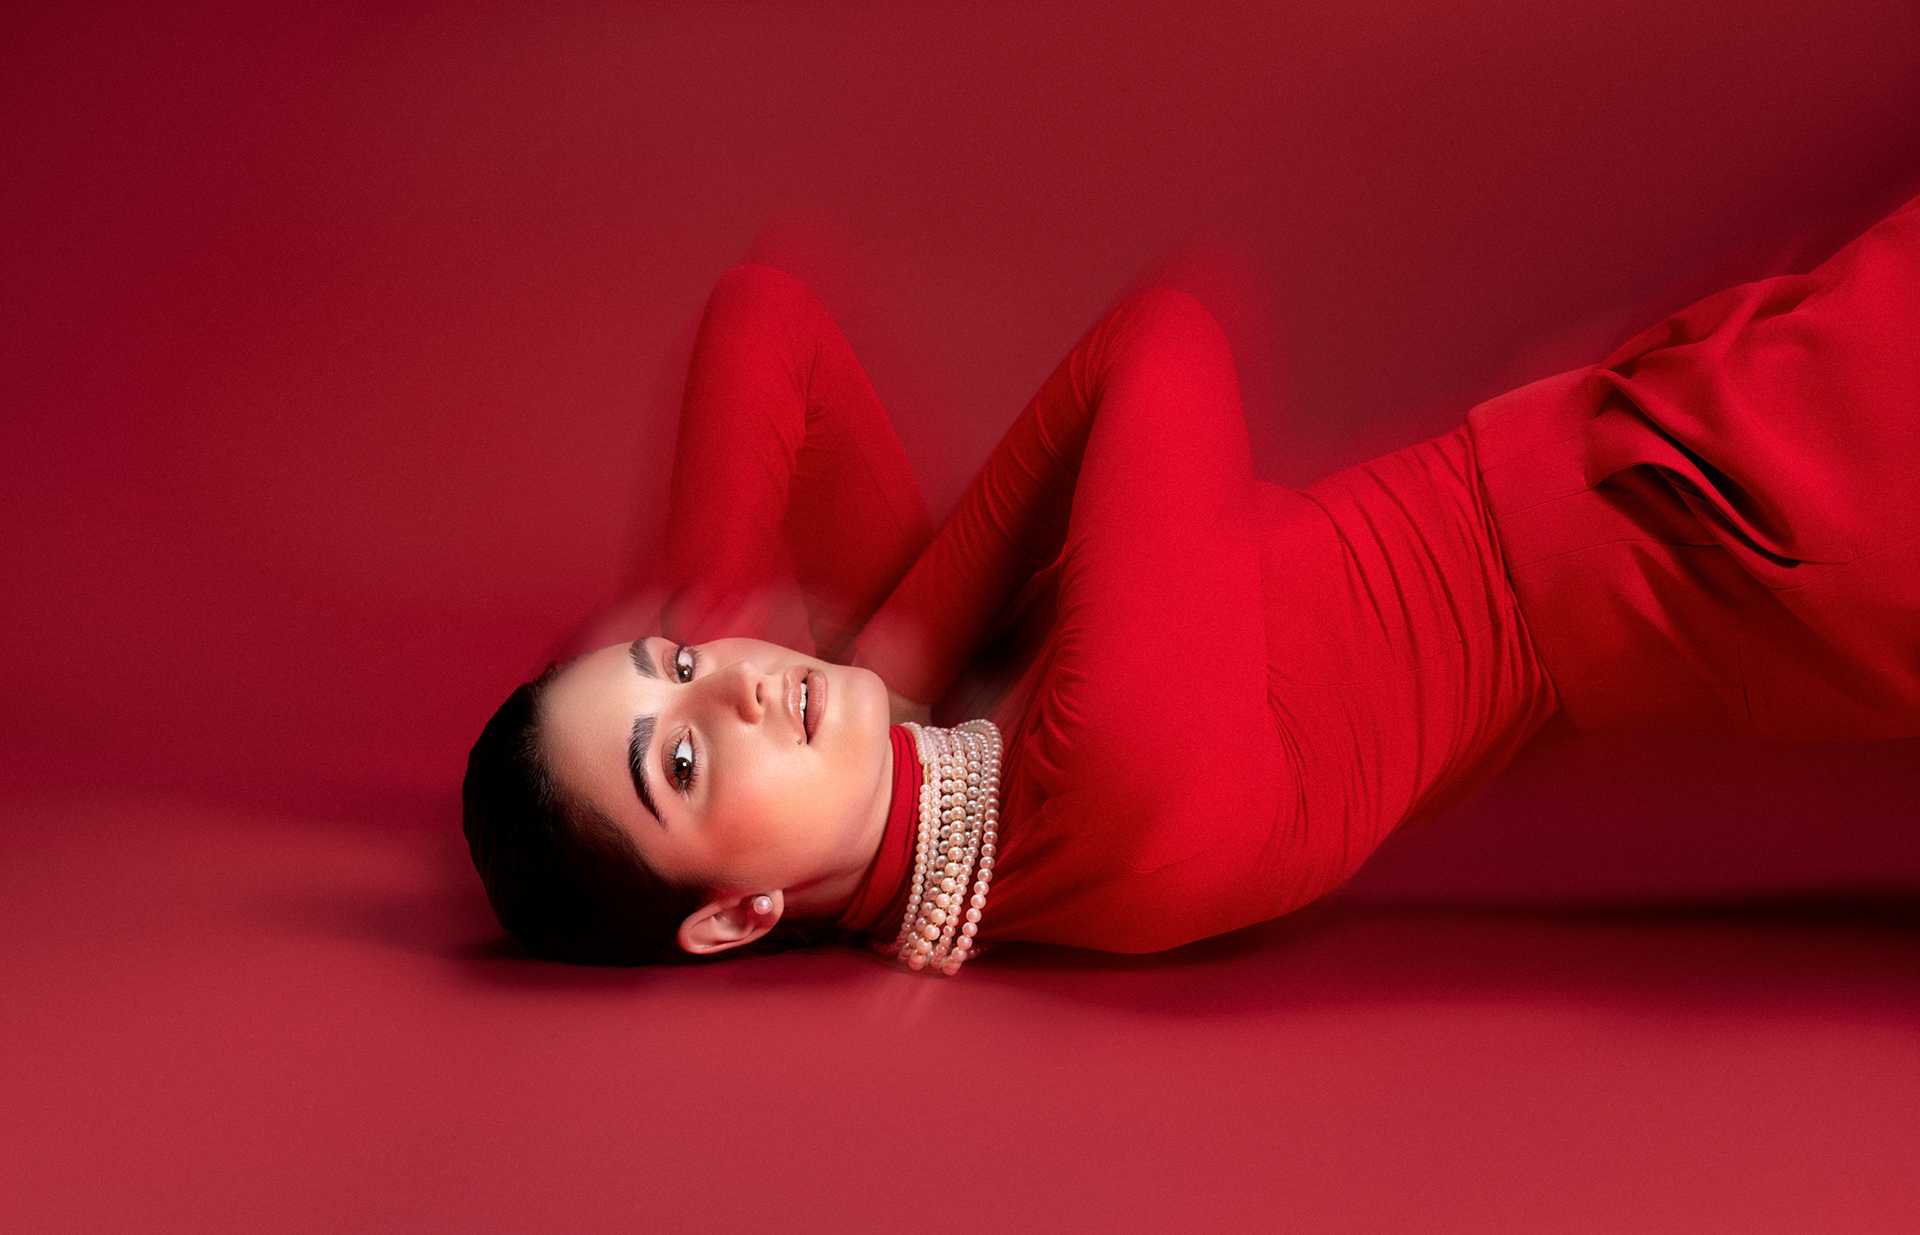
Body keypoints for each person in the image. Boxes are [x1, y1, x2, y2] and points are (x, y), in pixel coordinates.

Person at [463, 191, 1920, 970]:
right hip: (1736, 521)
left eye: (676, 665)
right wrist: (897, 650)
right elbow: (1167, 338)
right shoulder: (1095, 784)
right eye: (678, 762)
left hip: (1661, 446)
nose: (732, 686)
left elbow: (765, 313)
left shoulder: (908, 732)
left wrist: (711, 602)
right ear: (736, 914)